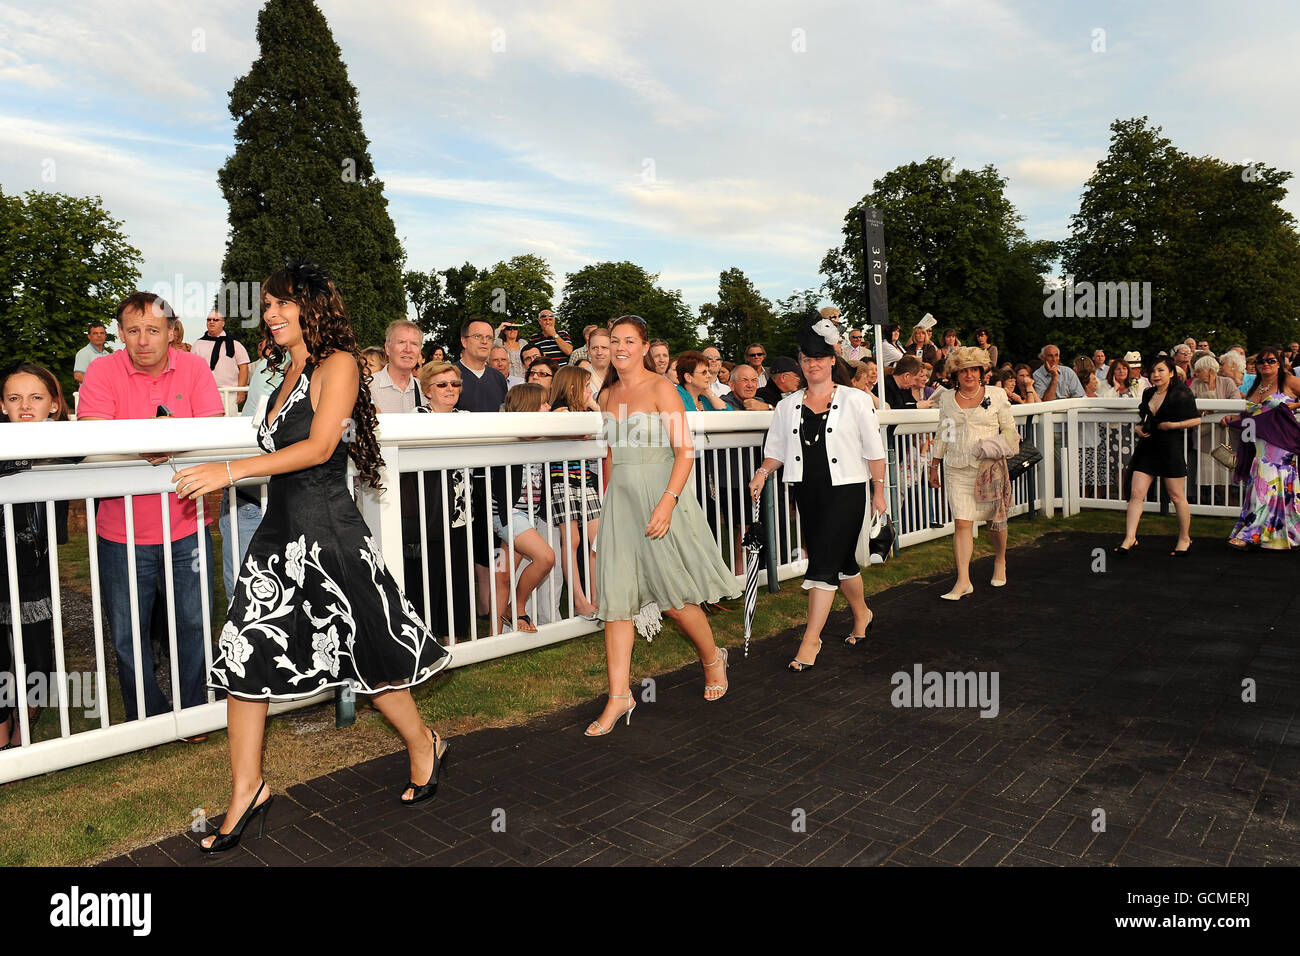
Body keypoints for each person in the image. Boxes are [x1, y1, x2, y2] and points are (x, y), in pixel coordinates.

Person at [175, 261, 450, 852]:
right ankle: (248, 787)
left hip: (329, 535)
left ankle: (424, 743)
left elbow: (321, 446)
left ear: (313, 307)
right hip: (276, 534)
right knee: (244, 655)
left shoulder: (341, 365)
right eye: (267, 306)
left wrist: (229, 471)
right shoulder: (281, 372)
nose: (270, 315)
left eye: (282, 304)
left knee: (370, 657)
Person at [587, 315, 739, 735]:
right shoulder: (608, 394)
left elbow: (684, 451)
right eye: (613, 340)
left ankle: (712, 658)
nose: (620, 347)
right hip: (621, 501)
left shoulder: (662, 388)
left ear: (643, 345)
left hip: (661, 494)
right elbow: (613, 456)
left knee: (673, 597)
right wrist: (608, 506)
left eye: (629, 341)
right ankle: (619, 696)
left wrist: (667, 503)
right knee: (616, 598)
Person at [749, 312, 887, 670]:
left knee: (822, 564)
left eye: (820, 359)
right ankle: (863, 614)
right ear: (800, 363)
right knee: (839, 562)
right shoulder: (786, 406)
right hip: (807, 492)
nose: (813, 365)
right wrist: (762, 473)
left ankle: (811, 640)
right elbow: (776, 450)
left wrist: (879, 491)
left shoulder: (856, 400)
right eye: (807, 360)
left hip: (847, 491)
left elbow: (874, 449)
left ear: (832, 361)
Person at [0, 362, 70, 749]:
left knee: (37, 654)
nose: (25, 406)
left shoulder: (67, 449)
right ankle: (2, 734)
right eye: (14, 398)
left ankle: (24, 721)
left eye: (36, 397)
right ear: (3, 405)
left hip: (34, 569)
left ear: (54, 406)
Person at [926, 347, 1020, 598]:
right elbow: (943, 433)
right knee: (962, 522)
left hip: (989, 469)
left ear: (982, 372)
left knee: (994, 522)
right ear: (956, 373)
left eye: (974, 370)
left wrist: (997, 446)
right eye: (964, 370)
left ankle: (1000, 559)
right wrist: (934, 464)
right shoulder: (946, 399)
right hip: (957, 468)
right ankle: (963, 581)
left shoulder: (998, 395)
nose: (969, 375)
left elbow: (1011, 432)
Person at [405, 361, 474, 639]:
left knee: (457, 577)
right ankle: (427, 639)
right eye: (442, 384)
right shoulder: (416, 416)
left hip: (461, 510)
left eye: (455, 384)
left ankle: (454, 639)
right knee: (428, 577)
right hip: (428, 512)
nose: (450, 389)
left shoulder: (466, 416)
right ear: (427, 390)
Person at [1112, 355, 1201, 556]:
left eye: (1161, 370)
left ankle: (1184, 538)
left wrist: (1173, 425)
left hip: (1170, 447)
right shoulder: (1148, 392)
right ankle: (1130, 537)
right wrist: (1138, 428)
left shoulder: (1181, 392)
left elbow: (1196, 420)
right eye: (1153, 371)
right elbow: (1144, 418)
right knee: (1136, 493)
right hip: (1147, 447)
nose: (1156, 375)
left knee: (1177, 496)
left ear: (1171, 372)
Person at [488, 384, 558, 634]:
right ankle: (516, 608)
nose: (548, 407)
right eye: (543, 403)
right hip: (508, 516)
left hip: (526, 516)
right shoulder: (507, 438)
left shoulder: (541, 438)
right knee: (546, 557)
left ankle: (494, 639)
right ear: (528, 407)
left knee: (503, 577)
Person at [1222, 346, 1300, 550]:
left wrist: (1295, 406)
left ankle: (1250, 534)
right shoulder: (1256, 387)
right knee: (1263, 484)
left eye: (1271, 361)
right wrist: (1232, 419)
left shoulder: (1289, 382)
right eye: (1261, 361)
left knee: (1266, 484)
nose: (1266, 364)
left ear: (1279, 363)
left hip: (1281, 445)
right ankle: (1282, 533)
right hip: (1259, 445)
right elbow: (1251, 415)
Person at [548, 366, 602, 619]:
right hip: (561, 480)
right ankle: (579, 600)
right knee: (572, 541)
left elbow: (605, 426)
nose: (591, 391)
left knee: (596, 540)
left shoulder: (584, 410)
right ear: (572, 388)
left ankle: (596, 596)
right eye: (586, 386)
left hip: (584, 480)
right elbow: (578, 433)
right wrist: (592, 412)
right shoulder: (560, 409)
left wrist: (592, 404)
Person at [192, 310, 251, 411]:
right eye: (209, 320)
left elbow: (244, 367)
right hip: (205, 393)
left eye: (215, 320)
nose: (211, 322)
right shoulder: (198, 344)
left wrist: (241, 391)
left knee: (229, 425)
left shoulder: (234, 343)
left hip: (229, 393)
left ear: (223, 323)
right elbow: (192, 369)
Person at [370, 319, 426, 413]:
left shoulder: (426, 391)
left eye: (414, 344)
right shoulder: (368, 387)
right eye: (401, 342)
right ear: (387, 348)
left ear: (419, 351)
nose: (408, 349)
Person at [456, 318, 508, 412]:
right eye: (477, 336)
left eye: (489, 337)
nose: (484, 341)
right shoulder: (449, 375)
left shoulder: (499, 378)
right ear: (464, 341)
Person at [586, 327, 612, 397]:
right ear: (588, 350)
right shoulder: (581, 380)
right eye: (595, 348)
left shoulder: (622, 377)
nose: (599, 352)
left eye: (604, 348)